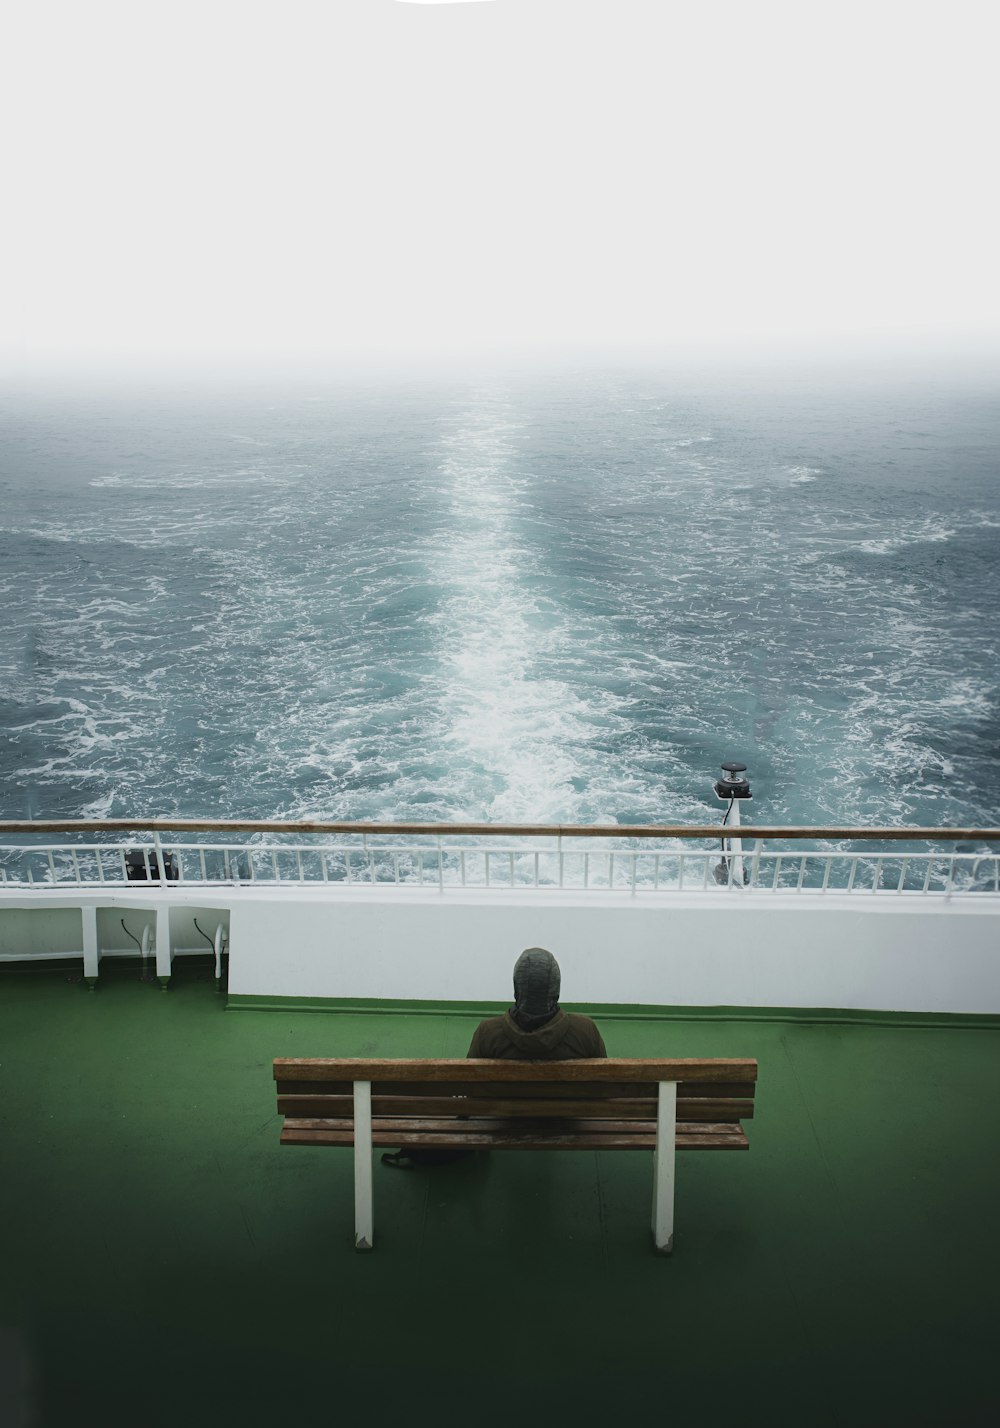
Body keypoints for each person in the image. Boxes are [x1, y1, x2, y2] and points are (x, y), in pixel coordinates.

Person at [467, 946, 606, 1059]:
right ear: (556, 989)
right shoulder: (585, 1032)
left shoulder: (487, 1034)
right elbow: (604, 1085)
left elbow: (469, 1086)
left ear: (517, 988)